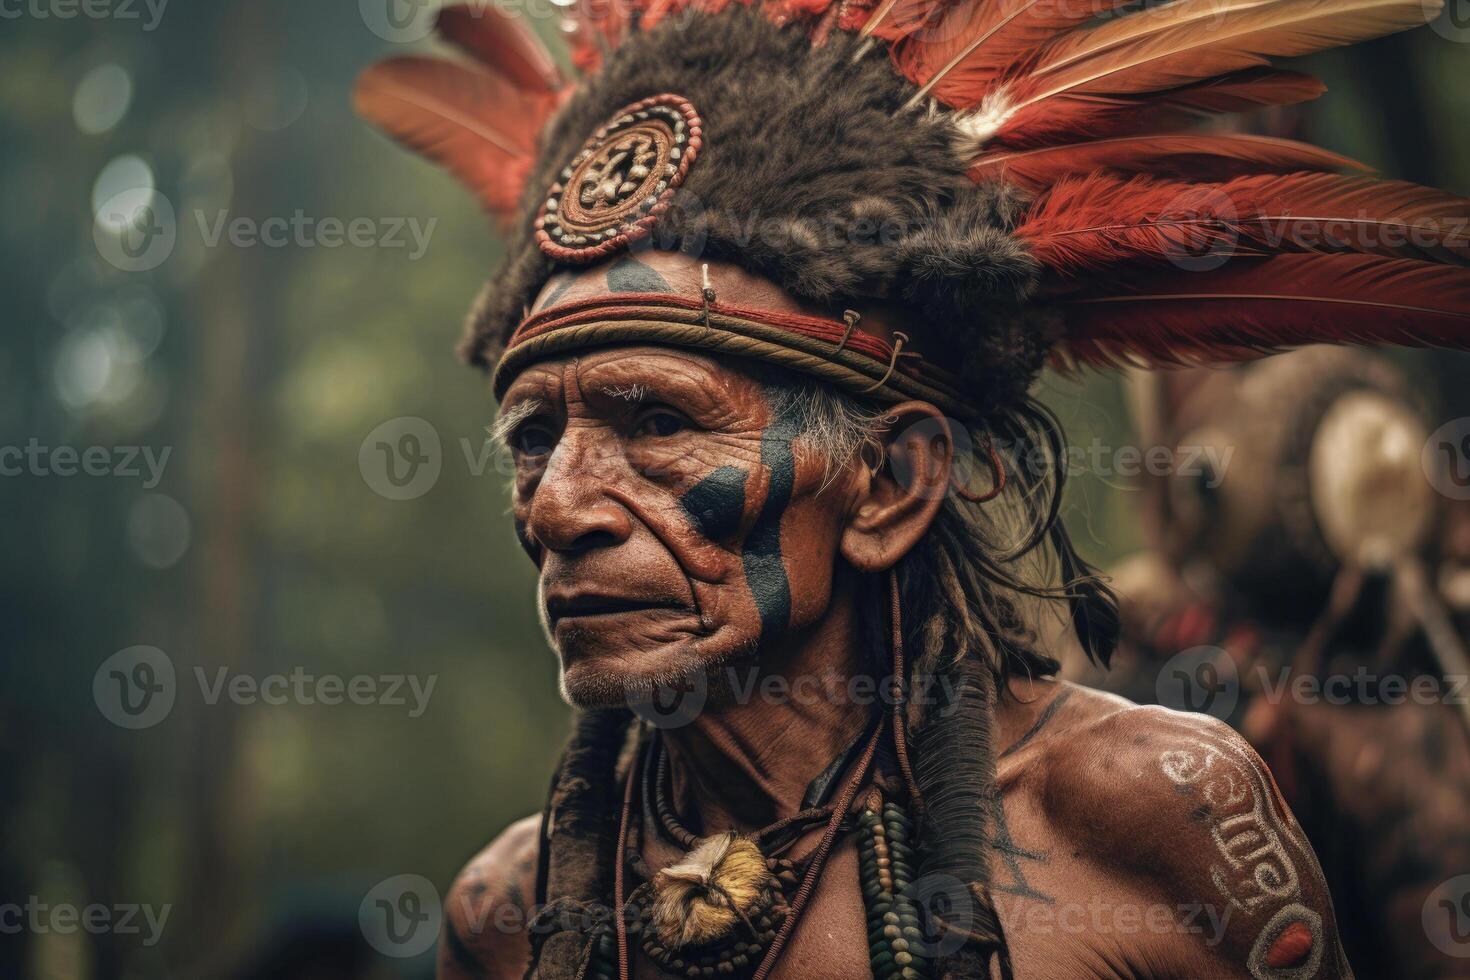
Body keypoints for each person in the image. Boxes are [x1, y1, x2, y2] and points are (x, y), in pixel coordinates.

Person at [355, 0, 1470, 975]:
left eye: (658, 421)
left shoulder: (1155, 822)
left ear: (890, 481)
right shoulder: (508, 916)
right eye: (532, 437)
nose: (557, 505)